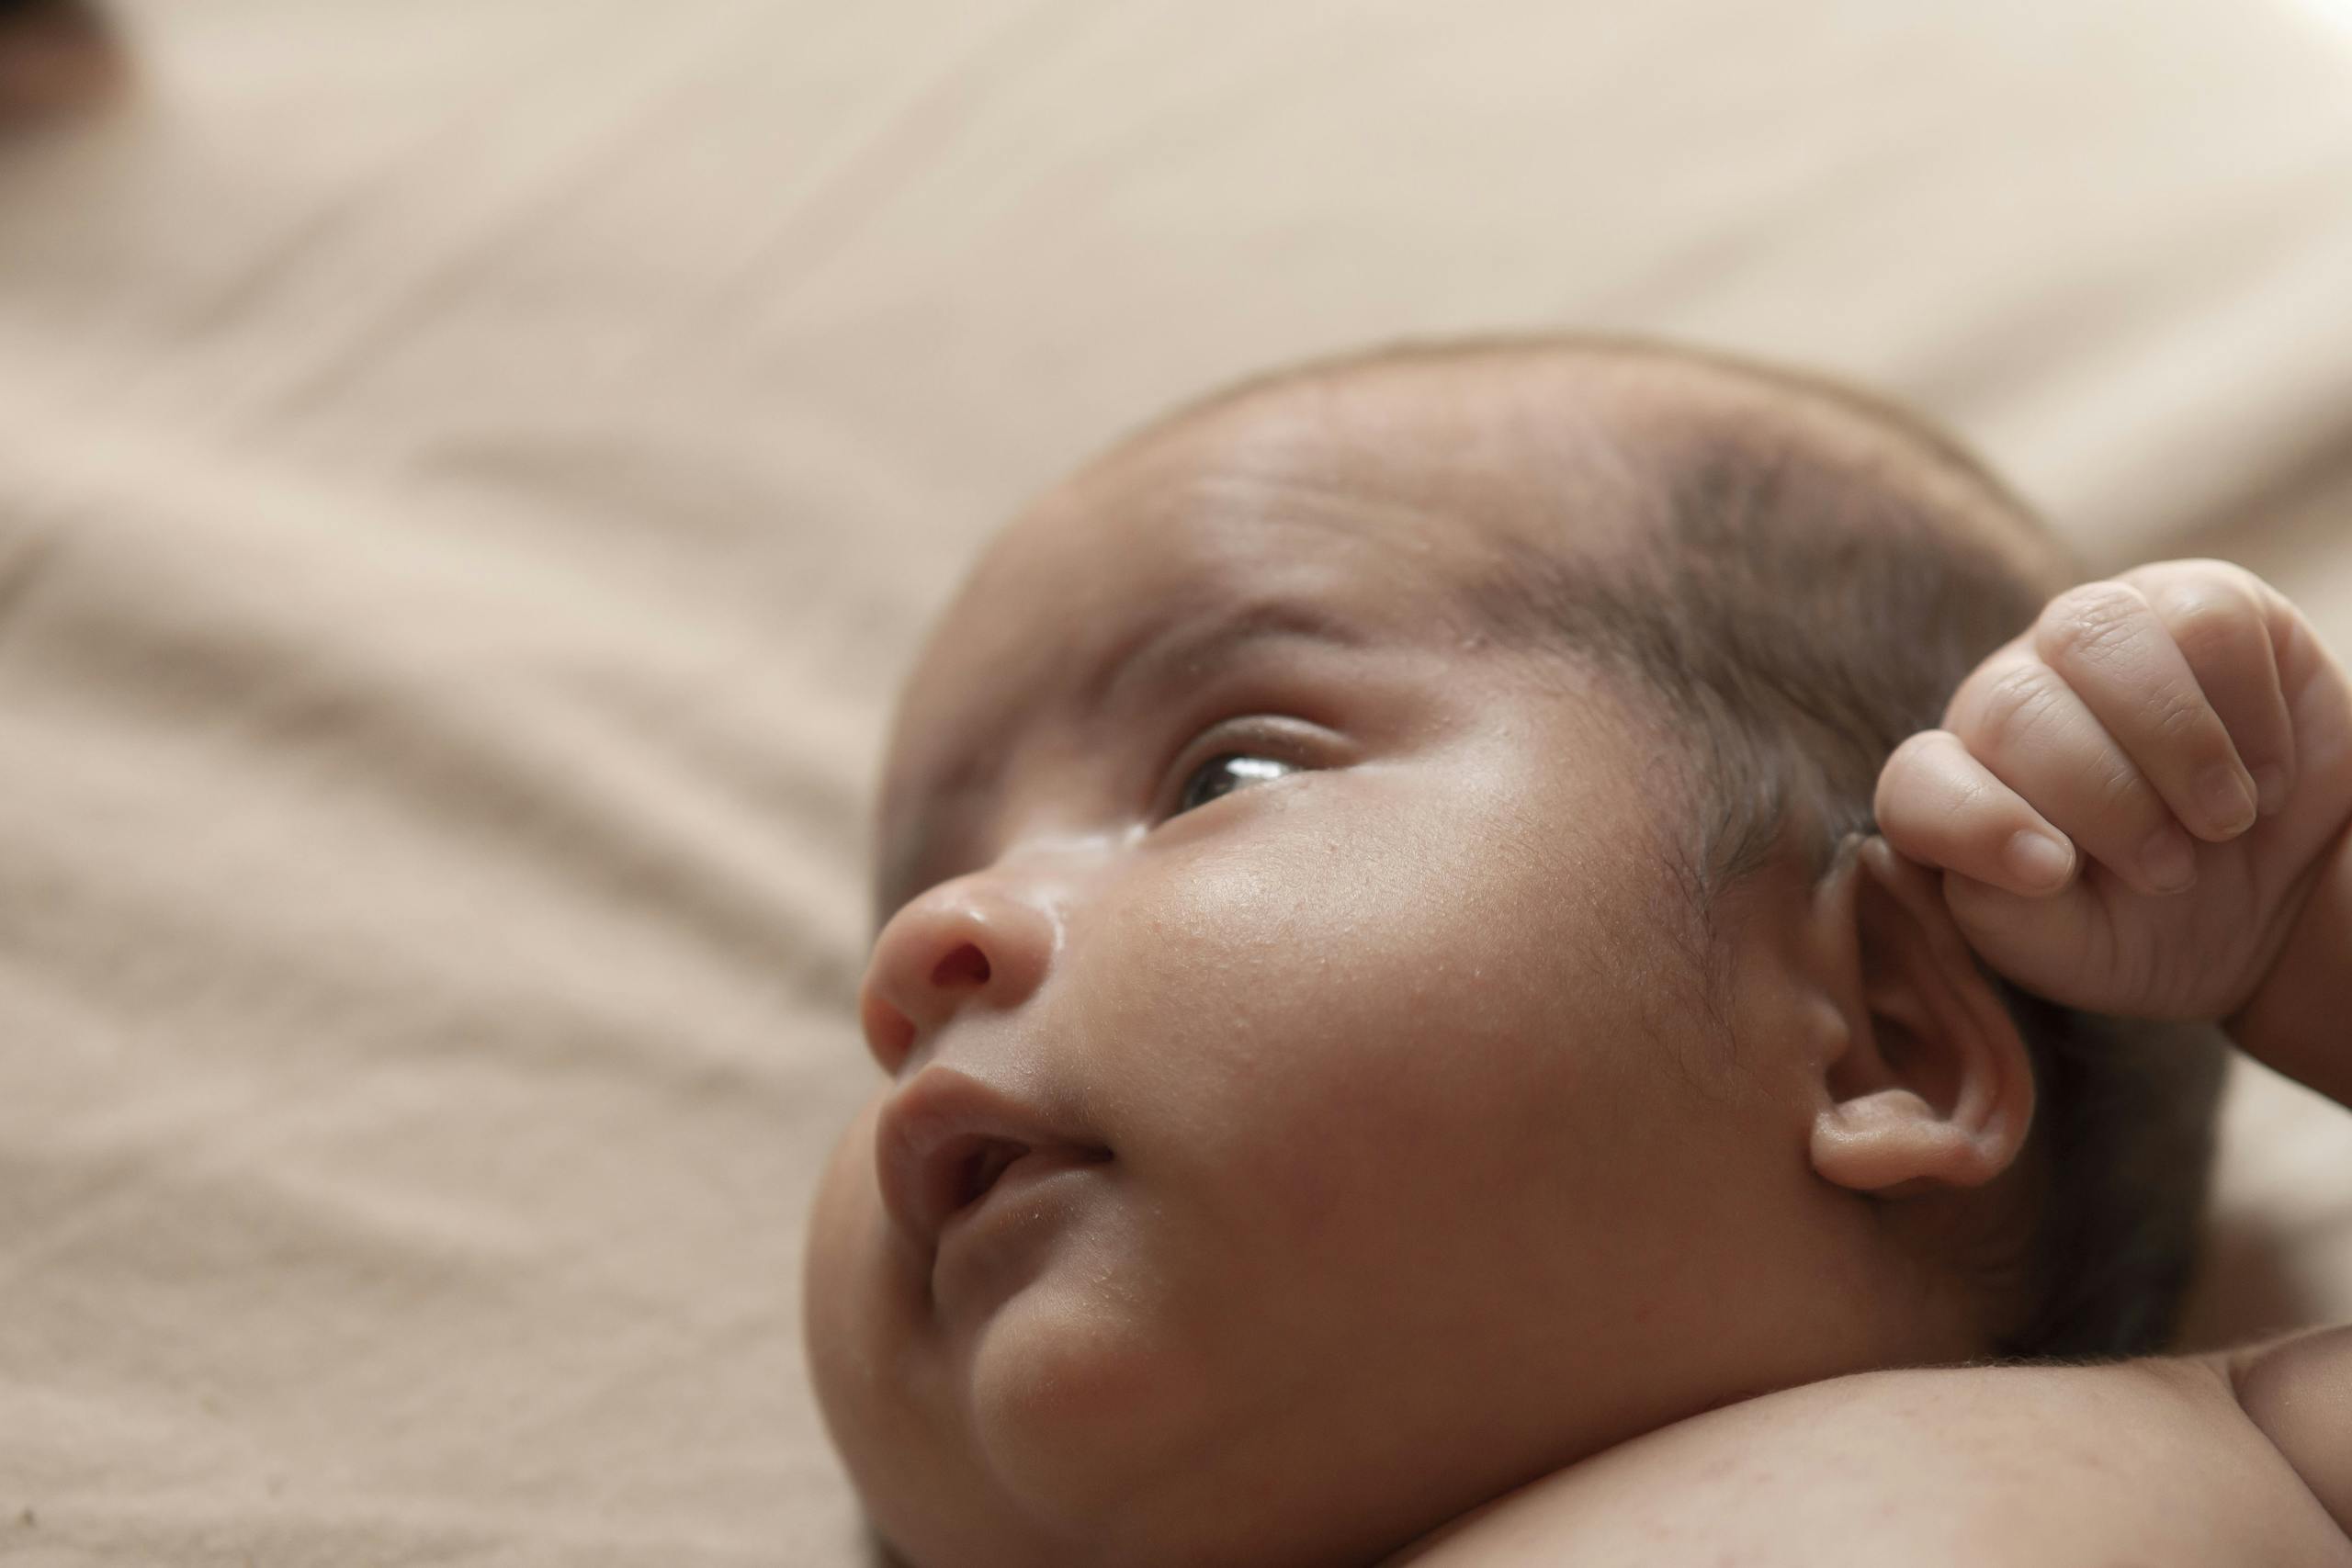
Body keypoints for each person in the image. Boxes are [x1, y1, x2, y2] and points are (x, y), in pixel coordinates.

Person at [801, 336, 2352, 1566]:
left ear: (1879, 1035)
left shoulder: (2232, 1467)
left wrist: (2316, 939)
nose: (934, 947)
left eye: (1226, 778)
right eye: (928, 886)